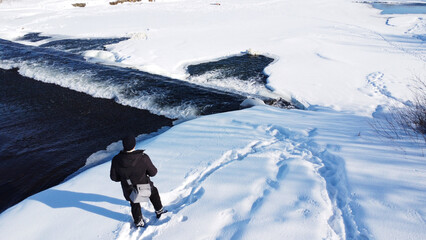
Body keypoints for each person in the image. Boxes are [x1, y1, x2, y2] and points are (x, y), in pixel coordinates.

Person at [110, 134, 167, 227]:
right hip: (145, 187)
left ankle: (138, 221)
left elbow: (114, 178)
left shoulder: (116, 160)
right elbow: (153, 172)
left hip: (129, 189)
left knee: (134, 201)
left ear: (124, 145)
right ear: (134, 145)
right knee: (153, 192)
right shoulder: (143, 157)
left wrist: (124, 177)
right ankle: (159, 210)